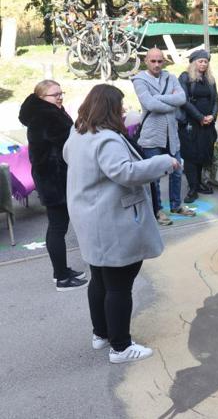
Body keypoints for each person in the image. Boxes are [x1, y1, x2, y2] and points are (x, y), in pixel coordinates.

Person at [63, 84, 181, 364]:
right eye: (120, 105)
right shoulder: (107, 139)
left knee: (100, 279)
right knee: (118, 285)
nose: (124, 110)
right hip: (111, 220)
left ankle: (101, 334)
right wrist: (164, 162)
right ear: (109, 108)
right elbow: (125, 173)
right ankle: (121, 347)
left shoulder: (78, 133)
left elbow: (70, 158)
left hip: (90, 217)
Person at [18, 80, 87, 291]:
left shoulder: (45, 112)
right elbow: (69, 141)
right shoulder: (47, 115)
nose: (60, 97)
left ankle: (61, 271)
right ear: (41, 98)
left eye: (61, 93)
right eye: (55, 95)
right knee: (57, 227)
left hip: (52, 178)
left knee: (57, 226)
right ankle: (62, 278)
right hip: (54, 180)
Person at [133, 48, 194, 226]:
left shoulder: (171, 77)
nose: (157, 64)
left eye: (160, 61)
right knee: (155, 176)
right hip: (152, 135)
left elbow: (182, 99)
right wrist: (171, 103)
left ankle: (176, 205)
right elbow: (149, 104)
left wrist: (159, 98)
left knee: (177, 171)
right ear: (146, 61)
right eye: (153, 61)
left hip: (171, 133)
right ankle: (157, 210)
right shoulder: (139, 80)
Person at [177, 50, 218, 204]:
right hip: (191, 123)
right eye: (200, 61)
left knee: (202, 153)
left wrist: (212, 116)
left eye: (206, 61)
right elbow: (184, 101)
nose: (203, 64)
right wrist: (200, 117)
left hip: (207, 123)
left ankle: (199, 183)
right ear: (193, 62)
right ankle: (192, 188)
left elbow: (216, 100)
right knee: (190, 156)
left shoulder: (210, 79)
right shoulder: (185, 77)